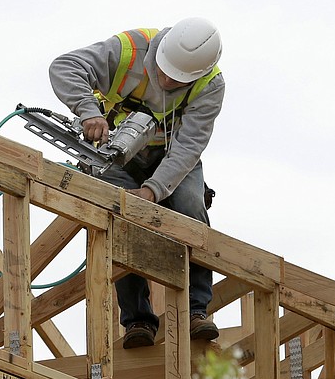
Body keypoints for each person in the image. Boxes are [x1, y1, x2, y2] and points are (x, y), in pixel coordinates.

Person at [49, 17, 224, 349]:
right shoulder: (128, 50)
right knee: (122, 218)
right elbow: (65, 66)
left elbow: (188, 147)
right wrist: (88, 111)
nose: (168, 80)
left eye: (178, 80)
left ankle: (196, 310)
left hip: (170, 155)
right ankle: (137, 320)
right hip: (115, 152)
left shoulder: (210, 85)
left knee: (190, 207)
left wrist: (153, 190)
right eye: (164, 72)